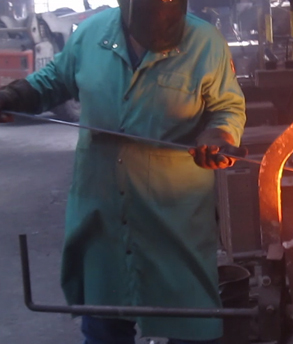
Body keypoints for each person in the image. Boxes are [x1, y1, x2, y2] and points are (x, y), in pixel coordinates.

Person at [0, 0, 246, 343]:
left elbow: (227, 107)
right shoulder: (90, 34)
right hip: (103, 214)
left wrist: (217, 135)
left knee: (191, 322)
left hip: (172, 218)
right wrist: (14, 96)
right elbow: (54, 80)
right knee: (105, 321)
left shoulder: (206, 43)